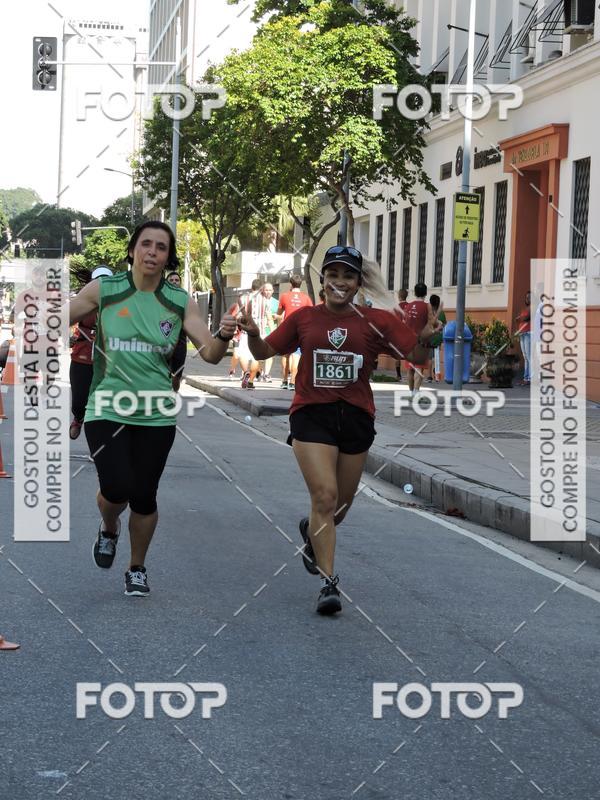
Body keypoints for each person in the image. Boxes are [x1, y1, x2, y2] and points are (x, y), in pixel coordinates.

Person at [237, 245, 438, 615]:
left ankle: (312, 534)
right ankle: (328, 584)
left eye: (348, 275)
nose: (340, 282)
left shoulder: (377, 320)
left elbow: (418, 358)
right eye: (334, 275)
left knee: (337, 510)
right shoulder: (304, 319)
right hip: (312, 416)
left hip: (357, 418)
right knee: (325, 498)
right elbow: (265, 351)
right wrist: (251, 333)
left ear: (359, 283)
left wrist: (426, 337)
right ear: (323, 280)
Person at [68, 221, 237, 597]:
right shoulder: (105, 290)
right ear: (132, 250)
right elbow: (56, 319)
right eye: (146, 244)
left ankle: (137, 567)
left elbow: (209, 354)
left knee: (144, 494)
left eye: (161, 247)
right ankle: (109, 527)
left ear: (167, 257)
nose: (152, 252)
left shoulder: (178, 301)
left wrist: (224, 334)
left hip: (156, 412)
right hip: (107, 407)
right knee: (115, 488)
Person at [69, 266, 113, 440]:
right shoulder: (81, 301)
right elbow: (66, 320)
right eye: (97, 281)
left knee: (103, 405)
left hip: (109, 361)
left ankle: (100, 441)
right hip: (82, 357)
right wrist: (70, 338)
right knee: (80, 399)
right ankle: (78, 418)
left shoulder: (120, 305)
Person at [276, 274, 313, 390]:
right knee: (296, 355)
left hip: (287, 328)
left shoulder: (284, 296)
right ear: (301, 284)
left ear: (290, 284)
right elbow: (310, 313)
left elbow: (279, 312)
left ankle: (284, 381)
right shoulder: (306, 298)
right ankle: (293, 382)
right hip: (300, 330)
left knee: (285, 355)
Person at [403, 283, 436, 397]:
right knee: (418, 368)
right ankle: (416, 393)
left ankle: (411, 392)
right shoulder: (428, 307)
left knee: (410, 368)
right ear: (426, 293)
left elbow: (403, 323)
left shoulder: (407, 306)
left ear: (414, 292)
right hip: (422, 342)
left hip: (408, 341)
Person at [238, 278, 264, 389]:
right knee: (256, 357)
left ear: (251, 287)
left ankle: (246, 372)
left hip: (246, 331)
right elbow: (267, 316)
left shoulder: (243, 298)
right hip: (259, 331)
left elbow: (239, 315)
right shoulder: (264, 299)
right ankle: (251, 381)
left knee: (242, 354)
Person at [165, 271, 188, 392]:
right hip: (162, 340)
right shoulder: (159, 297)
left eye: (176, 280)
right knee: (163, 373)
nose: (174, 282)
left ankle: (174, 394)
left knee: (176, 376)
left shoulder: (186, 298)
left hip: (180, 341)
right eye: (171, 280)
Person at [259, 282, 279, 382]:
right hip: (260, 330)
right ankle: (260, 371)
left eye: (270, 290)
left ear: (273, 291)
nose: (268, 292)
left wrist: (277, 316)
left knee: (270, 353)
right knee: (259, 354)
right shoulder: (258, 301)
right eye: (266, 290)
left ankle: (266, 374)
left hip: (271, 331)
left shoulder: (276, 302)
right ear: (262, 290)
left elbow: (281, 316)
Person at [428, 294, 446, 382]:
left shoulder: (429, 313)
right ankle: (437, 375)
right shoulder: (441, 313)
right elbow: (444, 325)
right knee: (436, 357)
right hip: (438, 337)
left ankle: (429, 376)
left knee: (430, 358)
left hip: (430, 337)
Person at [515, 290, 531, 386]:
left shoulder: (532, 308)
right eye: (526, 297)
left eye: (529, 297)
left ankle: (529, 378)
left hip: (529, 333)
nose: (527, 299)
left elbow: (526, 318)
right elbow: (520, 319)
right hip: (522, 333)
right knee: (525, 356)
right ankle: (526, 377)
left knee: (528, 356)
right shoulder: (525, 308)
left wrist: (519, 318)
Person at [395, 288, 409, 381]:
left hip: (398, 334)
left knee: (397, 355)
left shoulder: (396, 307)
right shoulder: (410, 306)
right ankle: (410, 375)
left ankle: (398, 375)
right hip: (408, 333)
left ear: (399, 296)